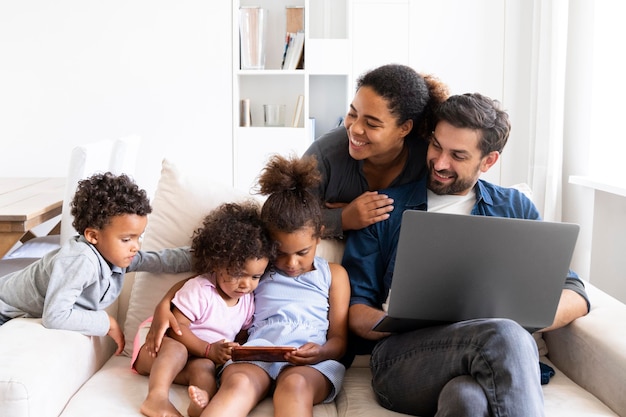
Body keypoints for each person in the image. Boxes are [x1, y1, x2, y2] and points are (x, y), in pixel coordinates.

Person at [342, 93, 590, 417]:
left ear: (488, 161)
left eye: (458, 155)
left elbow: (575, 293)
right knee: (502, 335)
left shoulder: (514, 208)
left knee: (467, 400)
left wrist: (510, 320)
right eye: (436, 146)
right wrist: (405, 321)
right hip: (405, 360)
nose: (440, 163)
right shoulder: (384, 208)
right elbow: (356, 311)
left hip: (489, 357)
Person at [148, 155, 351, 417]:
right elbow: (201, 282)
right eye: (279, 252)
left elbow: (339, 340)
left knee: (295, 385)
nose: (290, 262)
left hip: (311, 363)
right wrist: (164, 304)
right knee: (239, 383)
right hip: (257, 354)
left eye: (302, 252)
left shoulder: (334, 274)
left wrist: (321, 351)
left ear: (319, 235)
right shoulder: (257, 269)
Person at [0, 172, 192, 355]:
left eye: (138, 238)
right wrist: (107, 322)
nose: (135, 247)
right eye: (127, 239)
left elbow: (159, 260)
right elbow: (55, 316)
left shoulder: (115, 255)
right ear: (93, 236)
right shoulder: (80, 260)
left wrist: (208, 257)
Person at [132, 202, 275, 417]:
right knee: (178, 350)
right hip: (156, 350)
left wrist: (235, 349)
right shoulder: (200, 289)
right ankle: (156, 399)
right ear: (216, 264)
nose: (246, 284)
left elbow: (243, 333)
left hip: (194, 362)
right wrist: (208, 349)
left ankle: (200, 405)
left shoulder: (247, 301)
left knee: (205, 369)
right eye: (238, 274)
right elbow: (176, 328)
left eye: (255, 277)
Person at [303, 63, 449, 238]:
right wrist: (342, 218)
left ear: (404, 128)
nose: (354, 129)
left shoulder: (425, 157)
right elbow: (282, 218)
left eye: (371, 124)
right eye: (352, 114)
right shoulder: (324, 154)